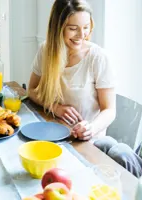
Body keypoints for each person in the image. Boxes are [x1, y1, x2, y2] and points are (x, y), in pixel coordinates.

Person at [28, 0, 116, 141]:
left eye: (86, 27)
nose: (82, 35)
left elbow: (110, 110)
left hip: (87, 141)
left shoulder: (98, 57)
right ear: (58, 28)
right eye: (73, 28)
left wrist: (91, 128)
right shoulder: (46, 50)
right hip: (53, 130)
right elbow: (31, 90)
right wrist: (55, 108)